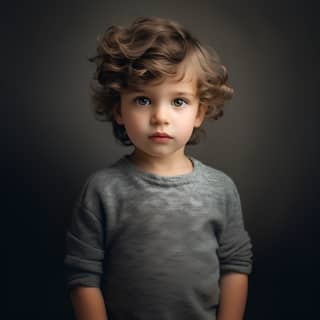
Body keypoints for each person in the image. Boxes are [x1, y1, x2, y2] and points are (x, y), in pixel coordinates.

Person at [64, 16, 253, 320]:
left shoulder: (221, 189)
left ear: (199, 113)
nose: (160, 117)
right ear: (118, 110)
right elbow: (83, 275)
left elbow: (235, 267)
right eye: (143, 100)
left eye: (178, 101)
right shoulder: (103, 190)